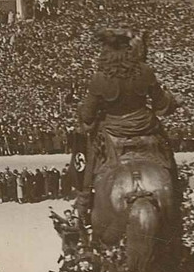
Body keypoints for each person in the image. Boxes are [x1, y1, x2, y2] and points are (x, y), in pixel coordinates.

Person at [76, 29, 179, 205]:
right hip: (145, 126)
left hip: (113, 130)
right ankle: (176, 192)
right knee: (167, 151)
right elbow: (161, 105)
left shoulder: (99, 79)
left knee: (89, 154)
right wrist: (172, 99)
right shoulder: (145, 71)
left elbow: (87, 116)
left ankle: (84, 197)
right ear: (129, 51)